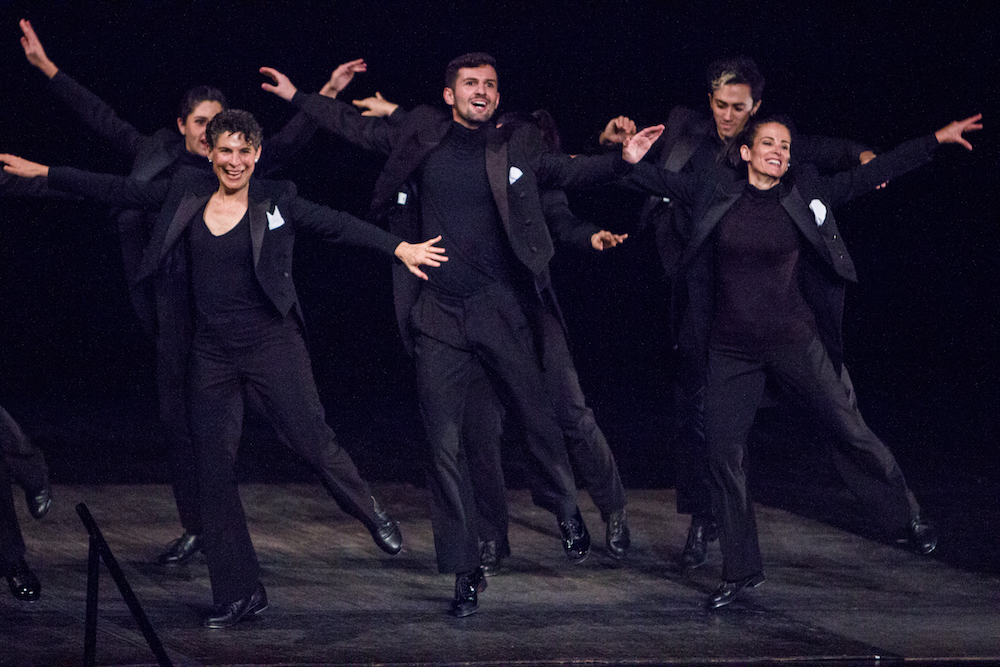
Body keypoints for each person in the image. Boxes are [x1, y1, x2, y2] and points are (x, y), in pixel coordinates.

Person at [2, 109, 447, 628]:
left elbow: (335, 224)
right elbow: (113, 190)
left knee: (310, 440)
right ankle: (240, 593)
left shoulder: (276, 197)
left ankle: (368, 509)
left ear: (257, 155)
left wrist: (398, 246)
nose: (235, 161)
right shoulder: (185, 191)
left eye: (244, 151)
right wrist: (45, 172)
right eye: (225, 151)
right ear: (209, 153)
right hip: (210, 355)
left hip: (271, 345)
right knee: (213, 472)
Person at [258, 53, 661, 616]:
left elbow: (570, 172)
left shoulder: (515, 143)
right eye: (471, 84)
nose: (482, 91)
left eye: (491, 85)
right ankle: (465, 569)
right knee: (443, 445)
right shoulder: (423, 133)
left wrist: (622, 161)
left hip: (501, 309)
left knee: (538, 417)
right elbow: (354, 127)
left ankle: (565, 507)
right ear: (450, 95)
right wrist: (299, 96)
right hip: (438, 314)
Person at [626, 110, 981, 608]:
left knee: (847, 428)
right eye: (768, 143)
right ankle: (742, 570)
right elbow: (653, 179)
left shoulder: (804, 193)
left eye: (786, 146)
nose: (779, 152)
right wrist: (630, 160)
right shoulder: (714, 191)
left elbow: (868, 175)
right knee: (723, 455)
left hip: (794, 340)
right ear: (746, 152)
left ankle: (907, 518)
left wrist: (934, 140)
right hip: (730, 349)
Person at [17, 18, 329, 567]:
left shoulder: (230, 171)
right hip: (166, 315)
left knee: (236, 424)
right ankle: (199, 526)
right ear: (182, 125)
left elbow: (285, 145)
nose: (212, 136)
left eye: (219, 125)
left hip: (220, 321)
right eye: (203, 124)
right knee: (176, 424)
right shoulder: (159, 159)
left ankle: (234, 524)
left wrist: (323, 94)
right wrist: (48, 70)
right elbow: (100, 121)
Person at [343, 82, 633, 568]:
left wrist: (591, 236)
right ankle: (493, 537)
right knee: (479, 431)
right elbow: (422, 131)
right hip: (471, 316)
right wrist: (392, 108)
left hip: (529, 313)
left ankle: (605, 508)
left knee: (565, 414)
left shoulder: (530, 168)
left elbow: (563, 215)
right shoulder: (465, 162)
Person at [604, 56, 878, 570]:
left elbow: (820, 148)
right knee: (694, 416)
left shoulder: (767, 145)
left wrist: (862, 154)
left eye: (739, 108)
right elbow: (633, 161)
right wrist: (608, 140)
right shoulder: (684, 128)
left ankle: (863, 488)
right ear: (709, 101)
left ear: (755, 108)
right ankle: (702, 516)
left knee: (746, 416)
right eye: (721, 105)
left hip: (752, 297)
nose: (728, 115)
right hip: (694, 291)